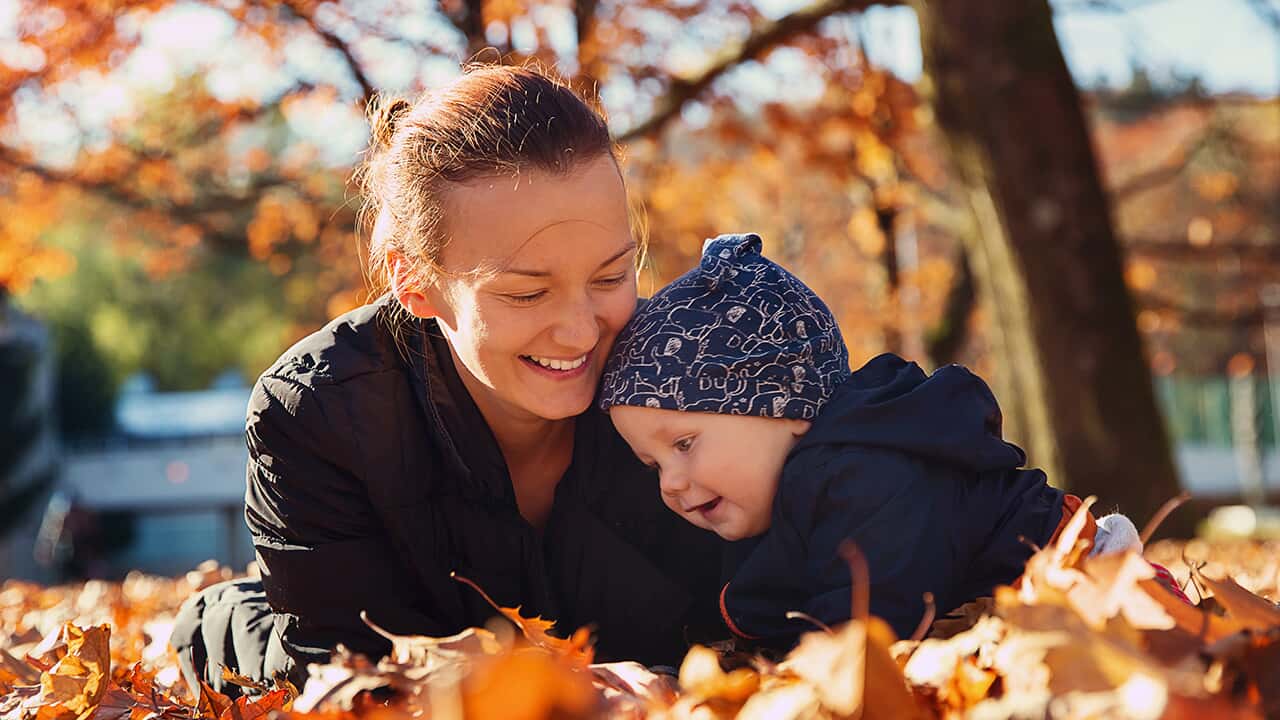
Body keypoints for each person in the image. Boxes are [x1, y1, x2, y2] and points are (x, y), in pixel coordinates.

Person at [172, 64, 725, 696]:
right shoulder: (317, 414)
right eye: (527, 292)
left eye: (609, 277)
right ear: (415, 283)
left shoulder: (694, 377)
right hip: (348, 629)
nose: (580, 332)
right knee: (269, 662)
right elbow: (353, 676)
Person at [598, 232, 1166, 645]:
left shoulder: (867, 471)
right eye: (652, 465)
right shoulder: (782, 495)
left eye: (685, 445)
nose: (670, 483)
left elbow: (872, 623)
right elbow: (773, 600)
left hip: (1094, 581)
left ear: (782, 406)